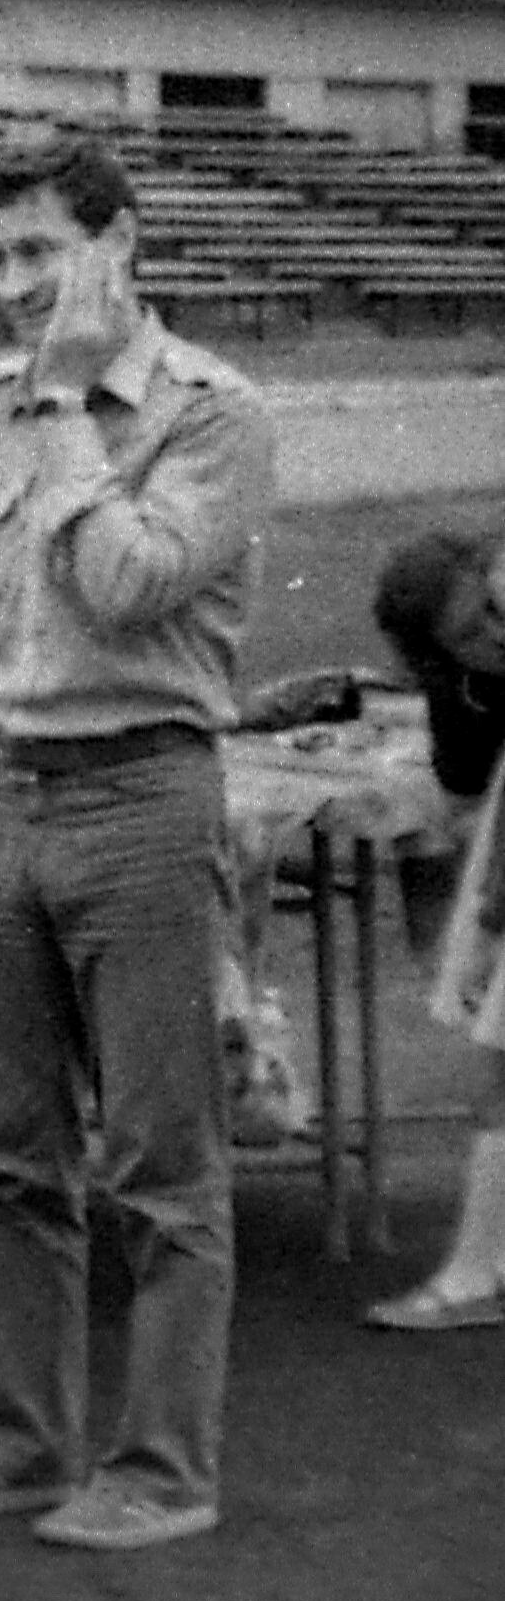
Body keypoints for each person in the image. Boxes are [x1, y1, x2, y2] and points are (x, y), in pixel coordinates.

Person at [0, 126, 274, 1554]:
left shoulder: (213, 414)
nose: (10, 286)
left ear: (118, 245)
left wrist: (62, 405)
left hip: (139, 800)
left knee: (161, 1165)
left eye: (39, 251)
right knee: (6, 1153)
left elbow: (124, 582)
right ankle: (15, 1442)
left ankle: (163, 1469)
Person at [362, 527, 505, 1331]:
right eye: (468, 634)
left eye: (490, 609)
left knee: (498, 1074)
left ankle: (474, 1276)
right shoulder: (463, 690)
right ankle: (479, 1267)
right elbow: (464, 791)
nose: (493, 635)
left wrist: (487, 924)